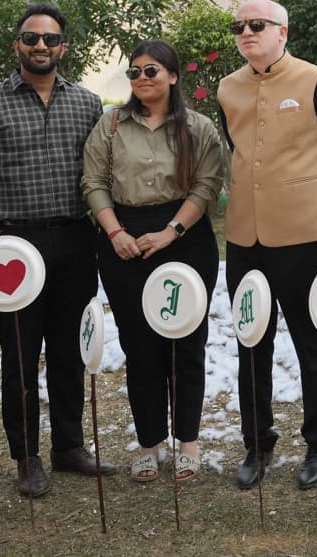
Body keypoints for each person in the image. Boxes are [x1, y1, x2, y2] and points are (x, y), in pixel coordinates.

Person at [0, 3, 112, 497]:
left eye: (51, 39)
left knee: (68, 350)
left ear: (64, 47)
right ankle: (27, 457)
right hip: (13, 246)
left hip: (75, 241)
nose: (41, 46)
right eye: (31, 38)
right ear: (16, 45)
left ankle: (68, 446)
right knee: (19, 354)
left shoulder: (87, 104)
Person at [217, 0, 317, 491]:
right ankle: (257, 443)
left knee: (312, 342)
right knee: (251, 340)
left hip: (301, 233)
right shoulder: (228, 87)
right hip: (244, 235)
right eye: (240, 26)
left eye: (258, 25)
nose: (247, 32)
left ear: (283, 32)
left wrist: (307, 188)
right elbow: (238, 148)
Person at [82, 40, 226, 483]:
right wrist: (115, 232)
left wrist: (170, 232)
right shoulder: (109, 125)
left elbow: (207, 185)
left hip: (183, 238)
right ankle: (149, 442)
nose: (142, 79)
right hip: (124, 240)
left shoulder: (198, 127)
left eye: (152, 71)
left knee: (186, 344)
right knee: (139, 346)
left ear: (173, 76)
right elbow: (93, 182)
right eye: (135, 72)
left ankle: (187, 441)